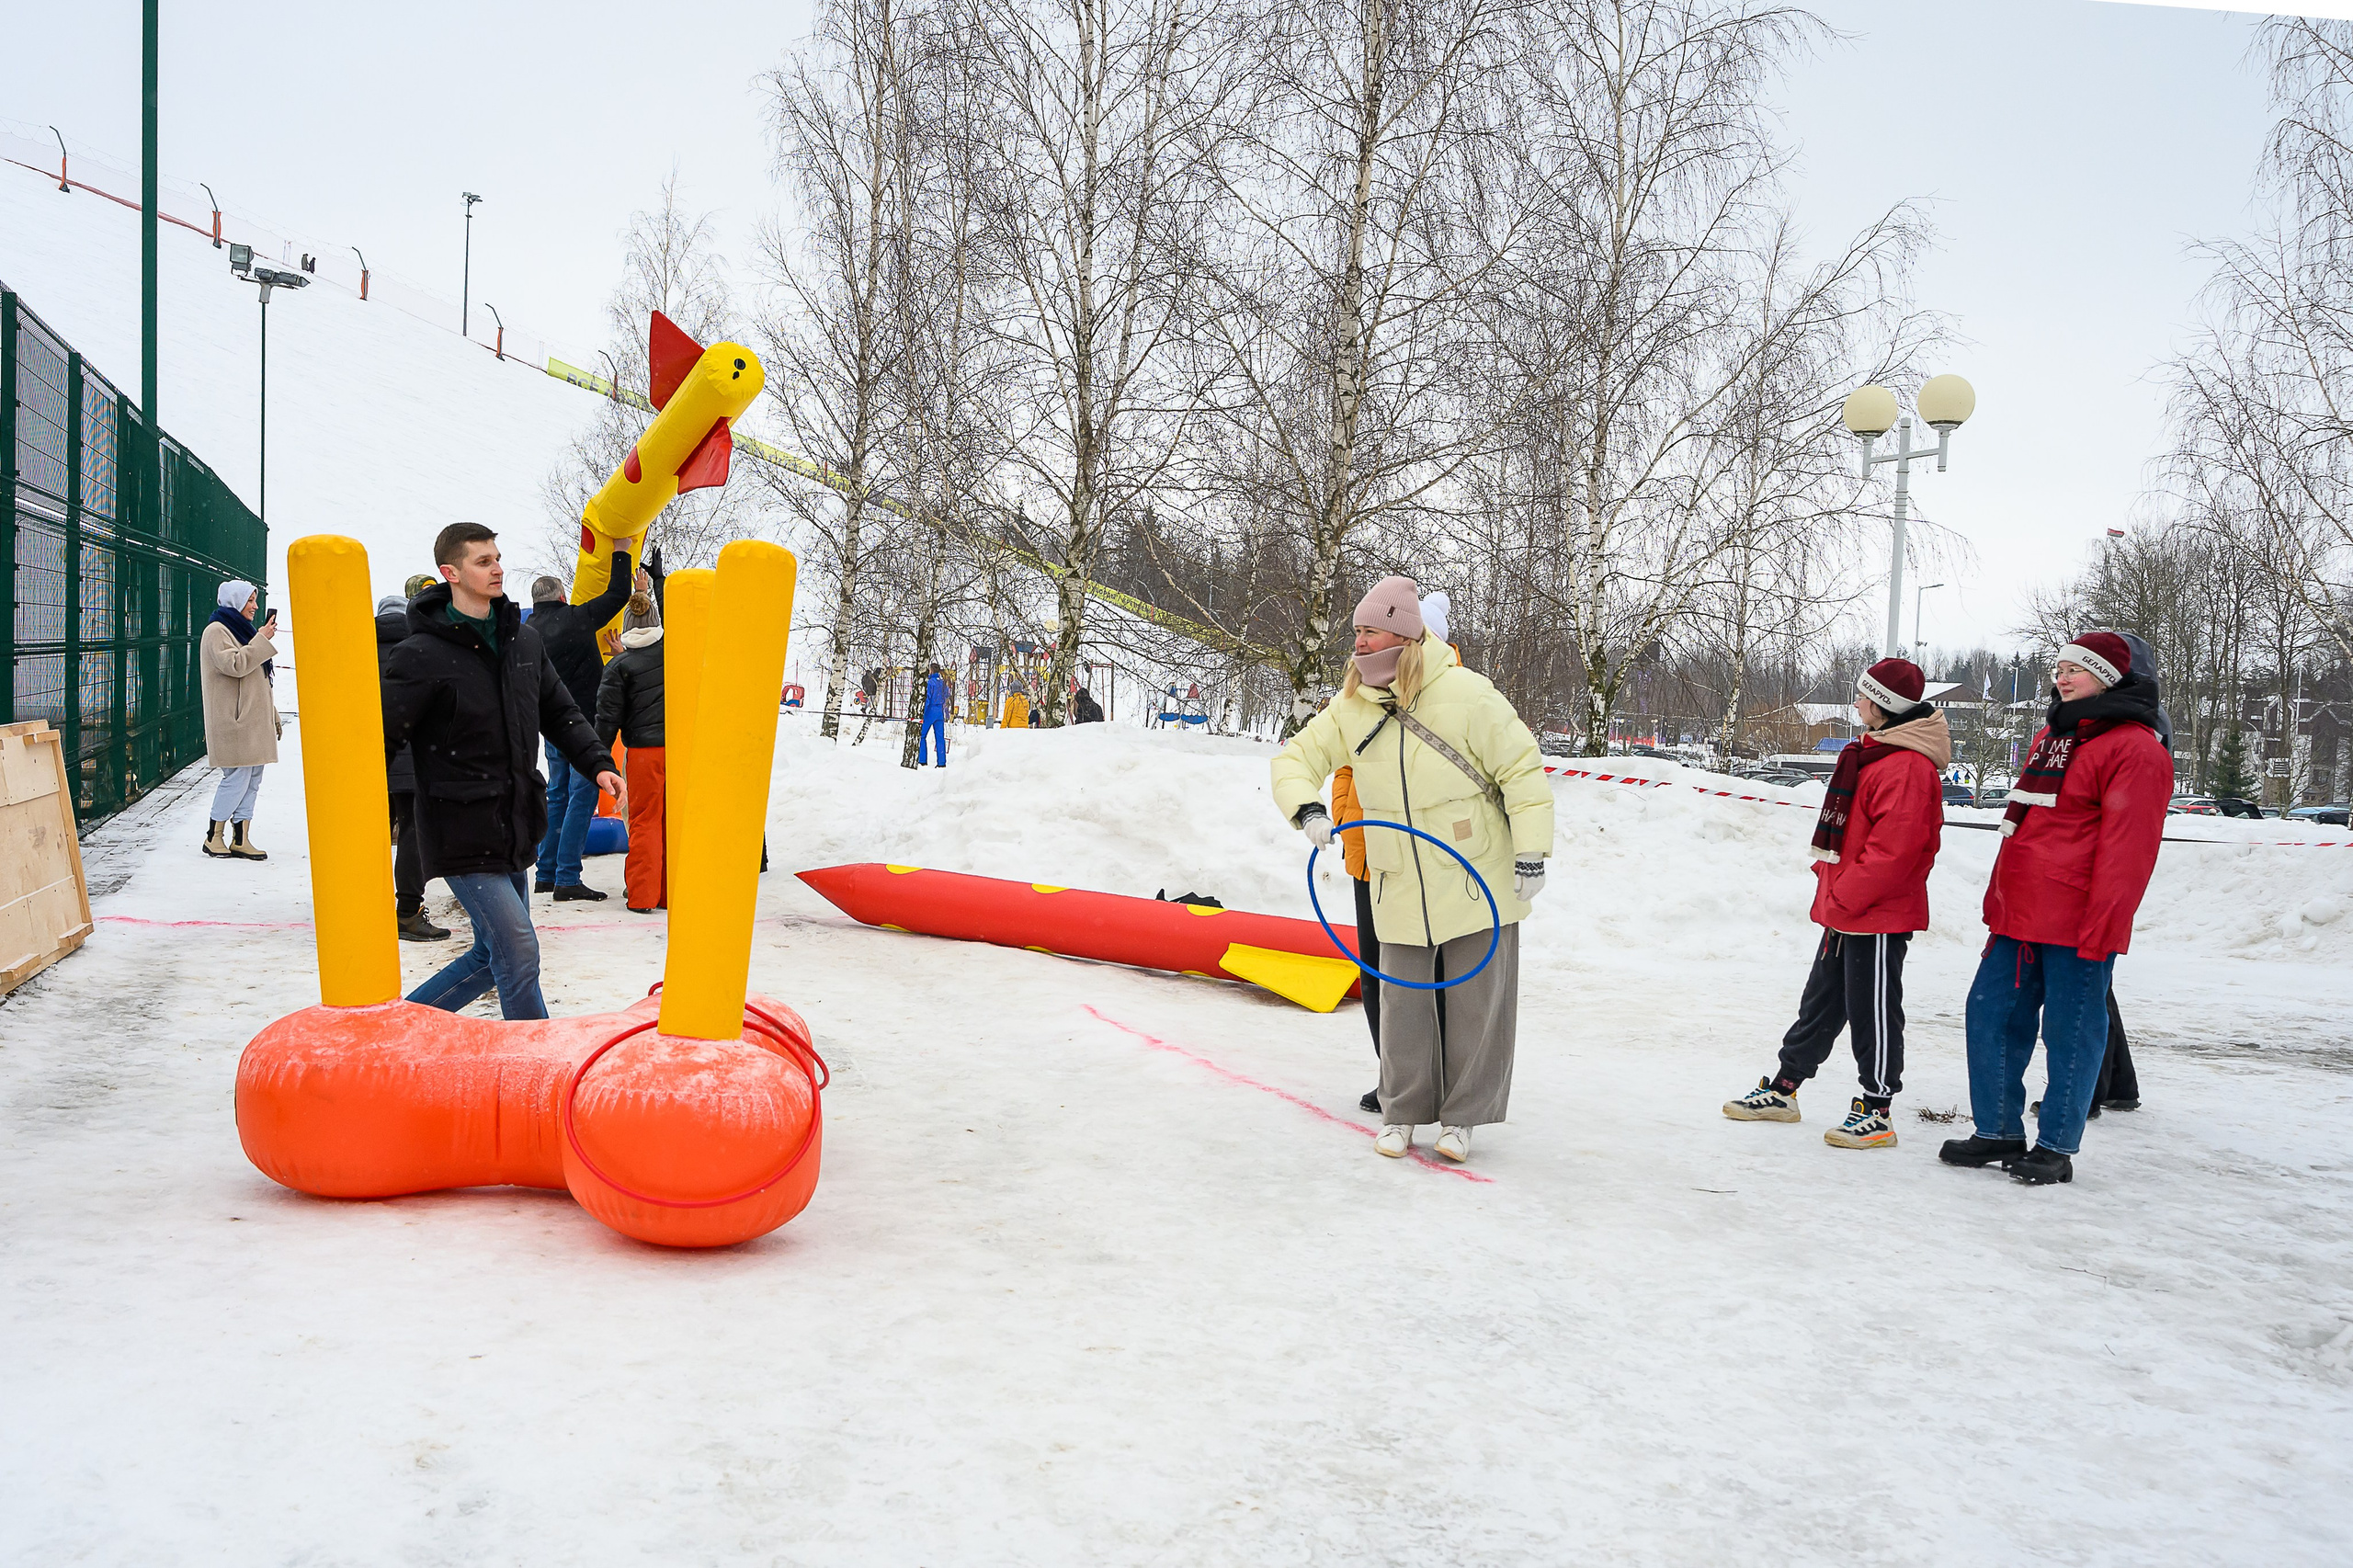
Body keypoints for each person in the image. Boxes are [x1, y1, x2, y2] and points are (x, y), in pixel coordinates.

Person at [1271, 575, 1553, 1165]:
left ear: (1402, 632)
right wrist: (1307, 808)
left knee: (1477, 1001)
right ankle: (1401, 1112)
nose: (1359, 642)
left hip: (1475, 871)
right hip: (1399, 877)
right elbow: (1297, 755)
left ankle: (1463, 1119)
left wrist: (1532, 851)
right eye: (1355, 632)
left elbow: (1523, 772)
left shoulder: (1469, 694)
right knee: (1401, 1004)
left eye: (1370, 631)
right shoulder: (1352, 706)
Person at [1939, 631, 2170, 1186]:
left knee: (2070, 1032)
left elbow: (2128, 851)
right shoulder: (2055, 736)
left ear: (2110, 679)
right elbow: (2026, 828)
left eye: (2078, 670)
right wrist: (2000, 896)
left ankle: (2056, 1147)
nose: (2063, 678)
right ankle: (1997, 1130)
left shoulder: (2135, 748)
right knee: (1990, 1015)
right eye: (2060, 668)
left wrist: (2106, 923)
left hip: (2078, 921)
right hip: (2020, 914)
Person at [382, 521, 623, 1022]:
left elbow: (560, 712)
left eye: (497, 557)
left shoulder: (523, 641)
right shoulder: (420, 654)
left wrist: (598, 764)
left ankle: (398, 1030)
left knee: (491, 958)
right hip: (459, 828)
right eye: (483, 561)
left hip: (514, 820)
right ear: (450, 573)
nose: (497, 568)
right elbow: (384, 738)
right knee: (518, 951)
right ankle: (534, 1065)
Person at [1722, 658, 1949, 1148]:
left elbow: (1897, 851)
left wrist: (1846, 892)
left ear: (1885, 707)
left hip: (1876, 913)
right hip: (1849, 909)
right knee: (1820, 1004)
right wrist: (1834, 885)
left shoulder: (1907, 766)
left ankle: (1878, 1108)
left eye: (1866, 697)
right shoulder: (1869, 754)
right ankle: (1786, 1089)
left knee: (1874, 1011)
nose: (1857, 704)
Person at [523, 543, 639, 901]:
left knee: (557, 794)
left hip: (550, 726)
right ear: (561, 595)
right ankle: (568, 878)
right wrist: (621, 552)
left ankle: (546, 873)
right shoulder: (575, 618)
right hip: (586, 724)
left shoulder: (527, 631)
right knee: (583, 795)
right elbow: (619, 593)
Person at [377, 592, 451, 940]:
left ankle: (363, 904)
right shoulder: (420, 648)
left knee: (369, 833)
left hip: (368, 755)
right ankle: (407, 910)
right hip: (411, 754)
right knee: (411, 832)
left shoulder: (353, 648)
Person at [595, 593, 667, 914]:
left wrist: (597, 761)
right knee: (674, 822)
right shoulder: (675, 653)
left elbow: (606, 721)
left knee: (644, 822)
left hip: (643, 753)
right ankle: (671, 892)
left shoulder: (619, 668)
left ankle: (642, 895)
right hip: (682, 751)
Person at [199, 579, 279, 860]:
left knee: (253, 777)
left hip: (252, 720)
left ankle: (240, 838)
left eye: (256, 601)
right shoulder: (217, 631)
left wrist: (273, 714)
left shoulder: (239, 629)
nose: (255, 607)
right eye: (250, 601)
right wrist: (261, 639)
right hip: (233, 720)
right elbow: (234, 665)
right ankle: (214, 836)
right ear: (235, 601)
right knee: (237, 777)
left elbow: (258, 678)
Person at [1331, 762, 1385, 1113]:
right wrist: (1343, 819)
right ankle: (1394, 1074)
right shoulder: (1355, 710)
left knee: (1418, 974)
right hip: (1364, 858)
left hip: (1412, 862)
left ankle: (1428, 1076)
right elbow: (1343, 766)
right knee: (1374, 976)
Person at [919, 664, 949, 766]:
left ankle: (922, 760)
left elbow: (928, 698)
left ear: (931, 670)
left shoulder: (930, 683)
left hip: (930, 711)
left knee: (922, 735)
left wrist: (923, 711)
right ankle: (941, 762)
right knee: (940, 737)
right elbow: (946, 695)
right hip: (940, 711)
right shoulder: (942, 682)